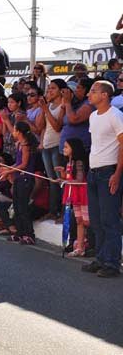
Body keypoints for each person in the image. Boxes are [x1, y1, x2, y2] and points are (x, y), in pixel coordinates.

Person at [83, 80, 123, 277]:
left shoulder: (116, 115)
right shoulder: (92, 116)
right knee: (97, 220)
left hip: (108, 173)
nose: (90, 94)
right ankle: (100, 258)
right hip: (93, 172)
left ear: (105, 95)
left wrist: (117, 173)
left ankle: (112, 263)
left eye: (93, 91)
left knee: (110, 220)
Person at [0, 121, 38, 245]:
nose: (13, 132)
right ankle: (20, 233)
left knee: (23, 207)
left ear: (19, 132)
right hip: (19, 178)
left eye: (15, 130)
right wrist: (8, 169)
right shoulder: (19, 144)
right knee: (16, 206)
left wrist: (9, 171)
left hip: (26, 178)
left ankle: (29, 234)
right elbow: (18, 162)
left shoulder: (26, 145)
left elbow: (24, 164)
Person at [55, 138, 89, 257]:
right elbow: (69, 178)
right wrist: (63, 176)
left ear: (74, 149)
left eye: (66, 147)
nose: (63, 149)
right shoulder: (69, 163)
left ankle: (87, 242)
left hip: (81, 193)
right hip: (73, 193)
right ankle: (80, 247)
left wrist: (66, 182)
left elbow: (79, 180)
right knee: (79, 220)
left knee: (86, 221)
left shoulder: (78, 162)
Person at [38, 80, 64, 220]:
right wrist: (44, 108)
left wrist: (46, 110)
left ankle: (61, 210)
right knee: (51, 180)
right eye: (48, 89)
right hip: (46, 146)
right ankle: (53, 210)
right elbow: (40, 125)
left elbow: (57, 127)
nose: (50, 91)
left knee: (60, 180)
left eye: (53, 88)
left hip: (57, 146)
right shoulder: (48, 105)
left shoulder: (62, 106)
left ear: (61, 90)